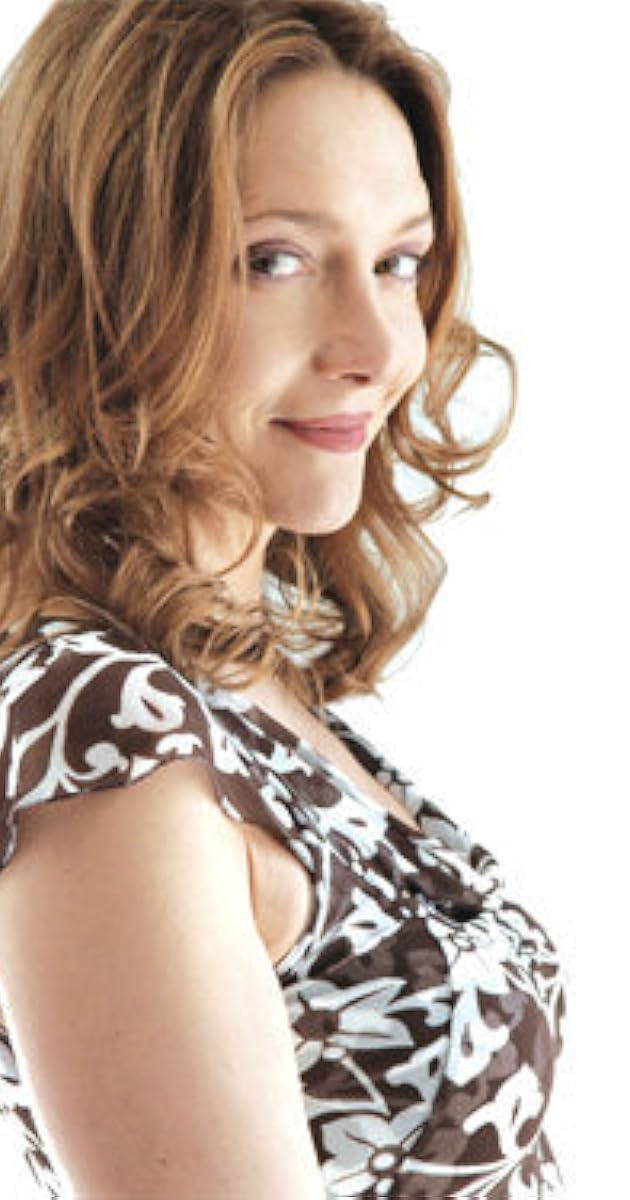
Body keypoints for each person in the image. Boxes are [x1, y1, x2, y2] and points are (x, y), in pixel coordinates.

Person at [0, 1, 565, 1196]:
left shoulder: (229, 678)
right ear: (99, 282)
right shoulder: (109, 732)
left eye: (398, 263)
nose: (378, 345)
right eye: (276, 260)